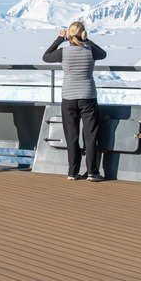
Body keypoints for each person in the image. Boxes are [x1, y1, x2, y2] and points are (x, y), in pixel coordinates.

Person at [42, 21, 107, 182]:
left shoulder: (63, 53)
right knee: (90, 135)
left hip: (69, 97)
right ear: (83, 34)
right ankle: (92, 171)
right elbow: (103, 53)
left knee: (72, 135)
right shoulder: (91, 51)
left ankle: (72, 171)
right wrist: (87, 41)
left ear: (69, 35)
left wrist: (59, 39)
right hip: (88, 97)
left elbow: (46, 56)